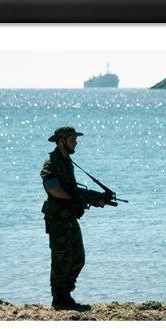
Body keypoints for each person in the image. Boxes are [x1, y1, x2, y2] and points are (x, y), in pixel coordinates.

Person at [40, 126, 103, 309]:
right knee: (60, 259)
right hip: (58, 219)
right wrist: (72, 197)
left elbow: (72, 190)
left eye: (75, 139)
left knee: (78, 259)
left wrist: (89, 199)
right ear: (62, 141)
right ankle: (59, 299)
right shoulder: (51, 161)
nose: (76, 142)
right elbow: (51, 187)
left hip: (69, 218)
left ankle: (65, 293)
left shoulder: (67, 162)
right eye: (72, 139)